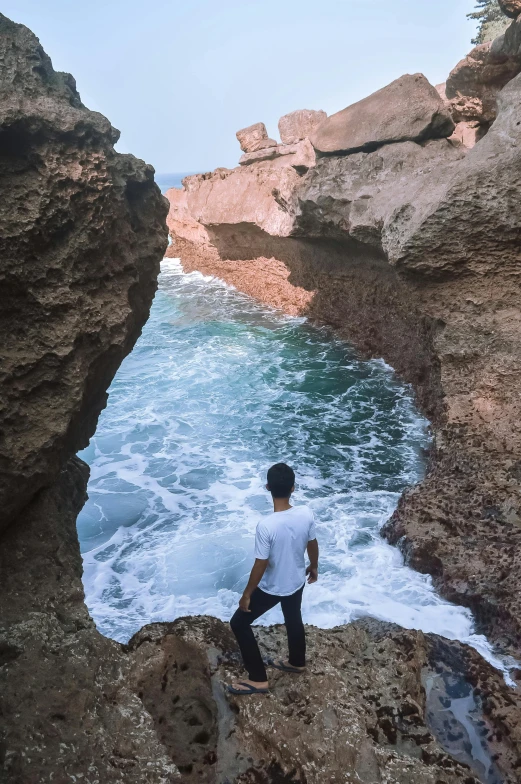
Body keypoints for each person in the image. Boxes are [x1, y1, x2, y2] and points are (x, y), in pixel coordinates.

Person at [228, 462, 319, 695]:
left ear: (267, 487)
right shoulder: (306, 513)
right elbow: (312, 543)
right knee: (293, 617)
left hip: (273, 587)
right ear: (293, 488)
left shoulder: (266, 525)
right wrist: (314, 567)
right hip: (296, 580)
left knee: (238, 623)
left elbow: (261, 563)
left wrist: (247, 594)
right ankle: (297, 662)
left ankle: (258, 679)